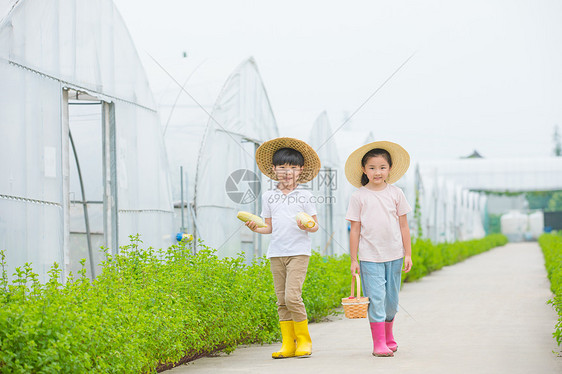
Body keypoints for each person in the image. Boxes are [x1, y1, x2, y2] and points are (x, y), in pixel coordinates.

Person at [245, 137, 321, 359]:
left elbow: (315, 226)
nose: (287, 172)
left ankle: (305, 341)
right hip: (276, 253)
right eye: (282, 167)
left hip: (298, 252)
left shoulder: (305, 195)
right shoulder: (269, 196)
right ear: (273, 170)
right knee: (281, 300)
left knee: (292, 297)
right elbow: (268, 227)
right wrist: (254, 228)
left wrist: (306, 224)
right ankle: (288, 344)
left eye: (293, 168)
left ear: (301, 171)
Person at [344, 140, 413, 357]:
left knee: (391, 301)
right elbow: (354, 229)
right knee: (376, 299)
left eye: (382, 167)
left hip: (394, 255)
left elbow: (403, 225)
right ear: (364, 170)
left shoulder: (396, 193)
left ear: (390, 169)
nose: (377, 172)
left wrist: (407, 253)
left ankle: (389, 335)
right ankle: (379, 344)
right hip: (369, 257)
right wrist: (354, 259)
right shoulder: (359, 196)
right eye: (372, 168)